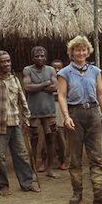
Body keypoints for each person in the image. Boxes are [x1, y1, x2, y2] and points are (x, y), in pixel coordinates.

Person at [57, 36, 102, 204]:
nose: (81, 53)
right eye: (77, 50)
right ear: (72, 52)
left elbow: (101, 93)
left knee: (97, 157)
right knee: (75, 158)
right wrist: (66, 116)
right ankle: (77, 192)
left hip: (93, 114)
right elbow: (61, 96)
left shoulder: (95, 71)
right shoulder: (64, 73)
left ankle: (100, 194)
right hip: (75, 115)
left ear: (87, 51)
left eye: (83, 50)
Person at [0, 50, 40, 196]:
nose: (7, 64)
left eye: (8, 61)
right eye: (3, 61)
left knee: (22, 154)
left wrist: (26, 119)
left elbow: (22, 100)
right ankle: (2, 186)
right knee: (0, 157)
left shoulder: (15, 79)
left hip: (15, 123)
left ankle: (27, 183)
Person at [23, 46, 60, 179]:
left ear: (46, 57)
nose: (40, 58)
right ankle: (32, 170)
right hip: (33, 112)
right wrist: (45, 84)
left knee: (51, 139)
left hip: (49, 111)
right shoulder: (28, 70)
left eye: (42, 56)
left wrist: (36, 87)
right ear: (32, 58)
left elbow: (55, 87)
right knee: (33, 140)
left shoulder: (50, 70)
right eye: (37, 56)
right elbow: (27, 87)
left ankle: (50, 168)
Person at [51, 59, 68, 170]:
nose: (57, 70)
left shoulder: (65, 79)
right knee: (49, 137)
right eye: (54, 68)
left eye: (59, 68)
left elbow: (65, 95)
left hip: (60, 110)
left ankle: (64, 160)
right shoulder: (49, 80)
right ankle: (48, 161)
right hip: (50, 109)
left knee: (61, 137)